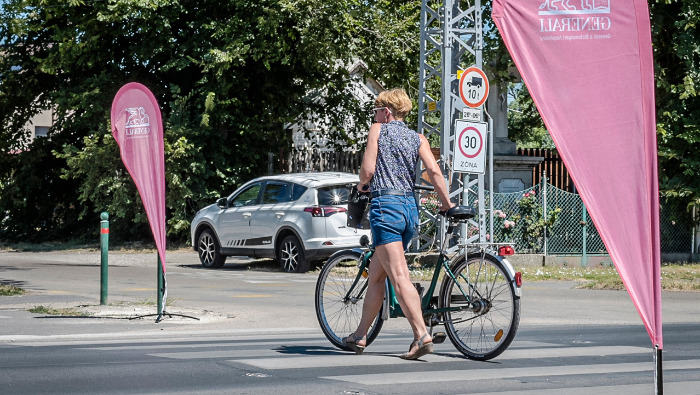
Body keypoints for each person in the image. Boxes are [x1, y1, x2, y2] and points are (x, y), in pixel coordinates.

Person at [343, 88, 454, 360]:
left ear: (387, 111)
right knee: (377, 275)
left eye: (377, 111)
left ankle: (421, 335)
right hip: (409, 212)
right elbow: (435, 171)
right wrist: (446, 203)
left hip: (386, 209)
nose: (376, 116)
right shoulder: (418, 138)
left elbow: (368, 171)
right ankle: (359, 335)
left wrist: (360, 187)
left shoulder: (377, 131)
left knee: (399, 276)